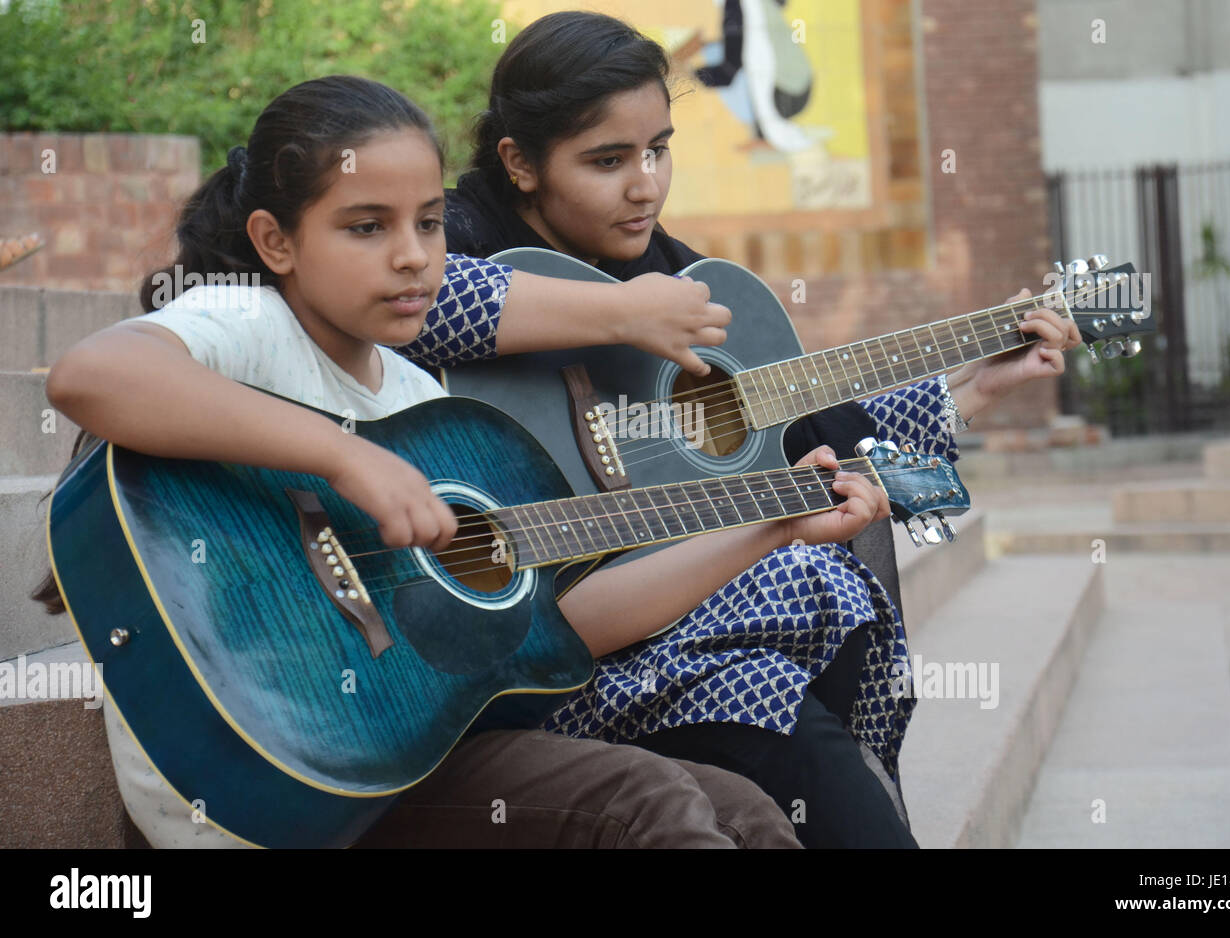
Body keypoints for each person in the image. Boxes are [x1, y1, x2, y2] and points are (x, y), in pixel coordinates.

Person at [37, 75, 892, 848]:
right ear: (276, 240)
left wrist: (768, 525)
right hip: (277, 770)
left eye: (430, 222)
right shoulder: (253, 329)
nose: (414, 255)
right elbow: (92, 376)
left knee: (744, 811)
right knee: (648, 801)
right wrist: (344, 459)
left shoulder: (420, 400)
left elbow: (568, 624)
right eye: (367, 227)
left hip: (405, 755)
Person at [396, 11, 1083, 848]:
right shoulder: (461, 231)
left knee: (810, 626)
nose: (645, 184)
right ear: (519, 162)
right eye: (607, 161)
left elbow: (808, 435)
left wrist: (978, 384)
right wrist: (619, 312)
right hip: (528, 650)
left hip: (674, 626)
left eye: (659, 148)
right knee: (794, 638)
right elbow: (414, 305)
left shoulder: (665, 267)